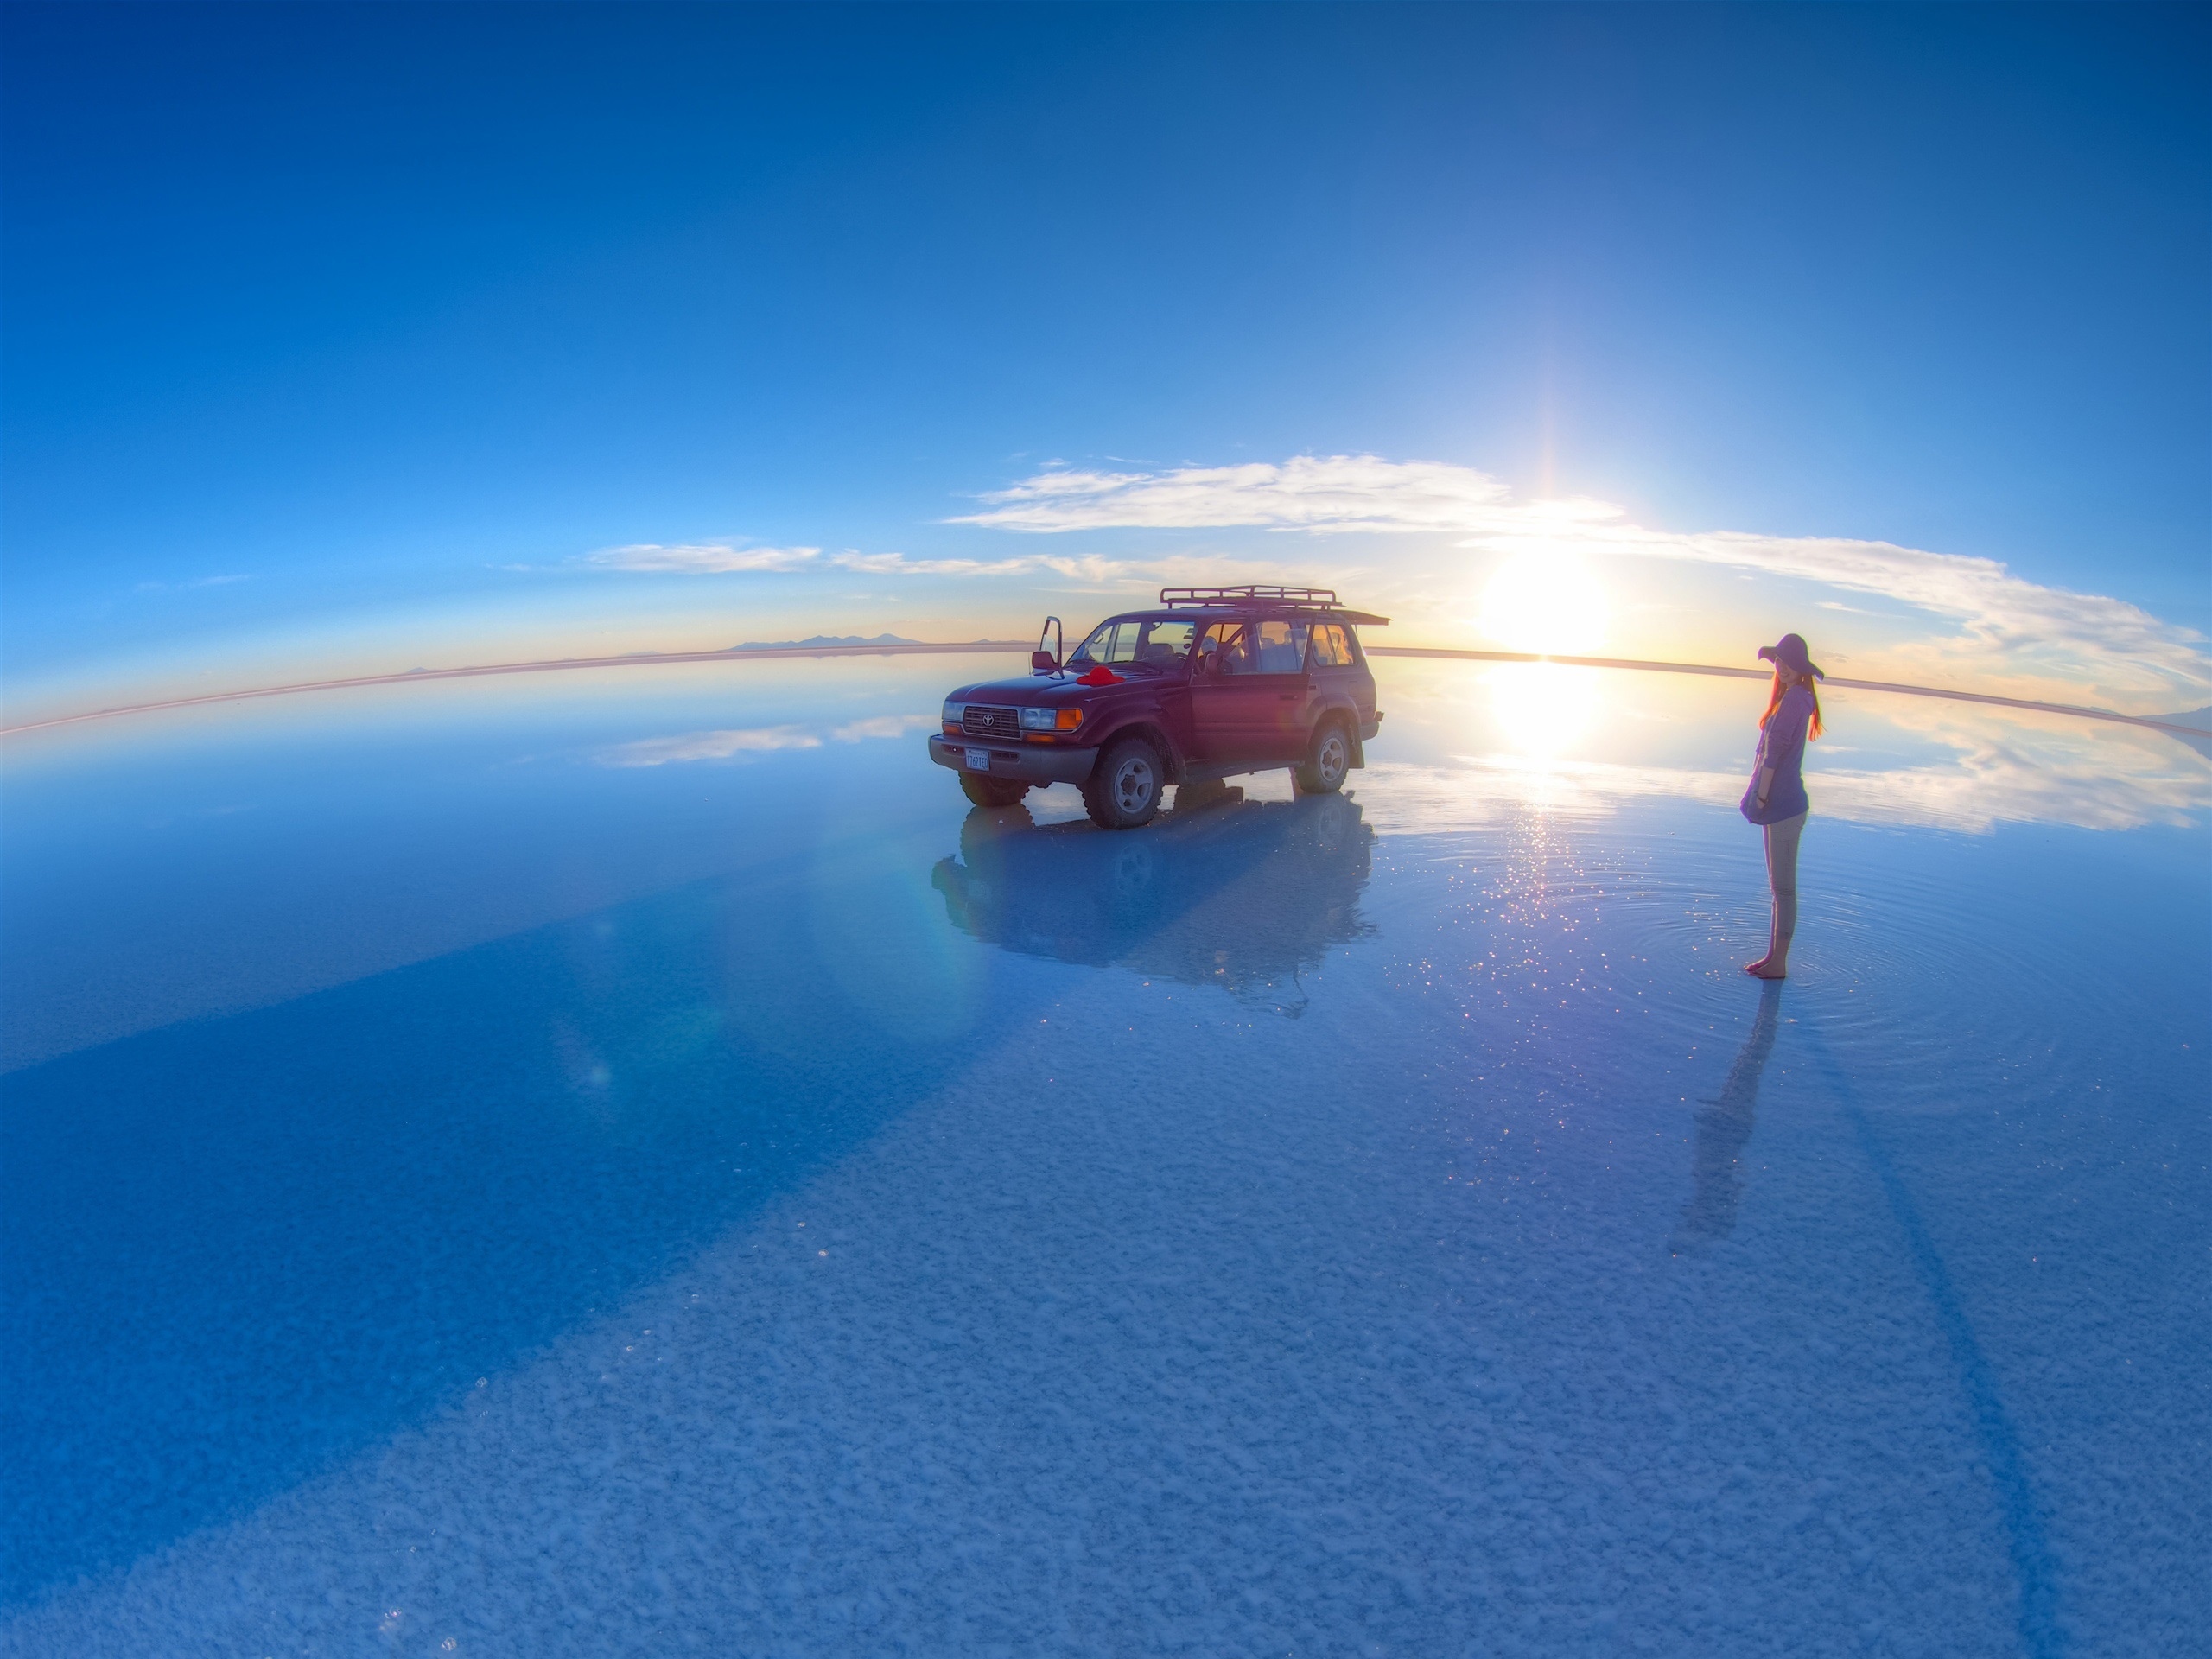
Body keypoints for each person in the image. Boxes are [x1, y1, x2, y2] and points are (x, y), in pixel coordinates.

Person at [1740, 632, 1824, 979]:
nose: (1782, 667)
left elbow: (1774, 753)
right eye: (1778, 660)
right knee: (1778, 888)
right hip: (1779, 803)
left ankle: (1779, 963)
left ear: (1801, 667)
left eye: (1789, 662)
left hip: (1785, 805)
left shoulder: (1796, 699)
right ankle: (1773, 956)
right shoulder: (1791, 697)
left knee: (1784, 889)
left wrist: (1762, 796)